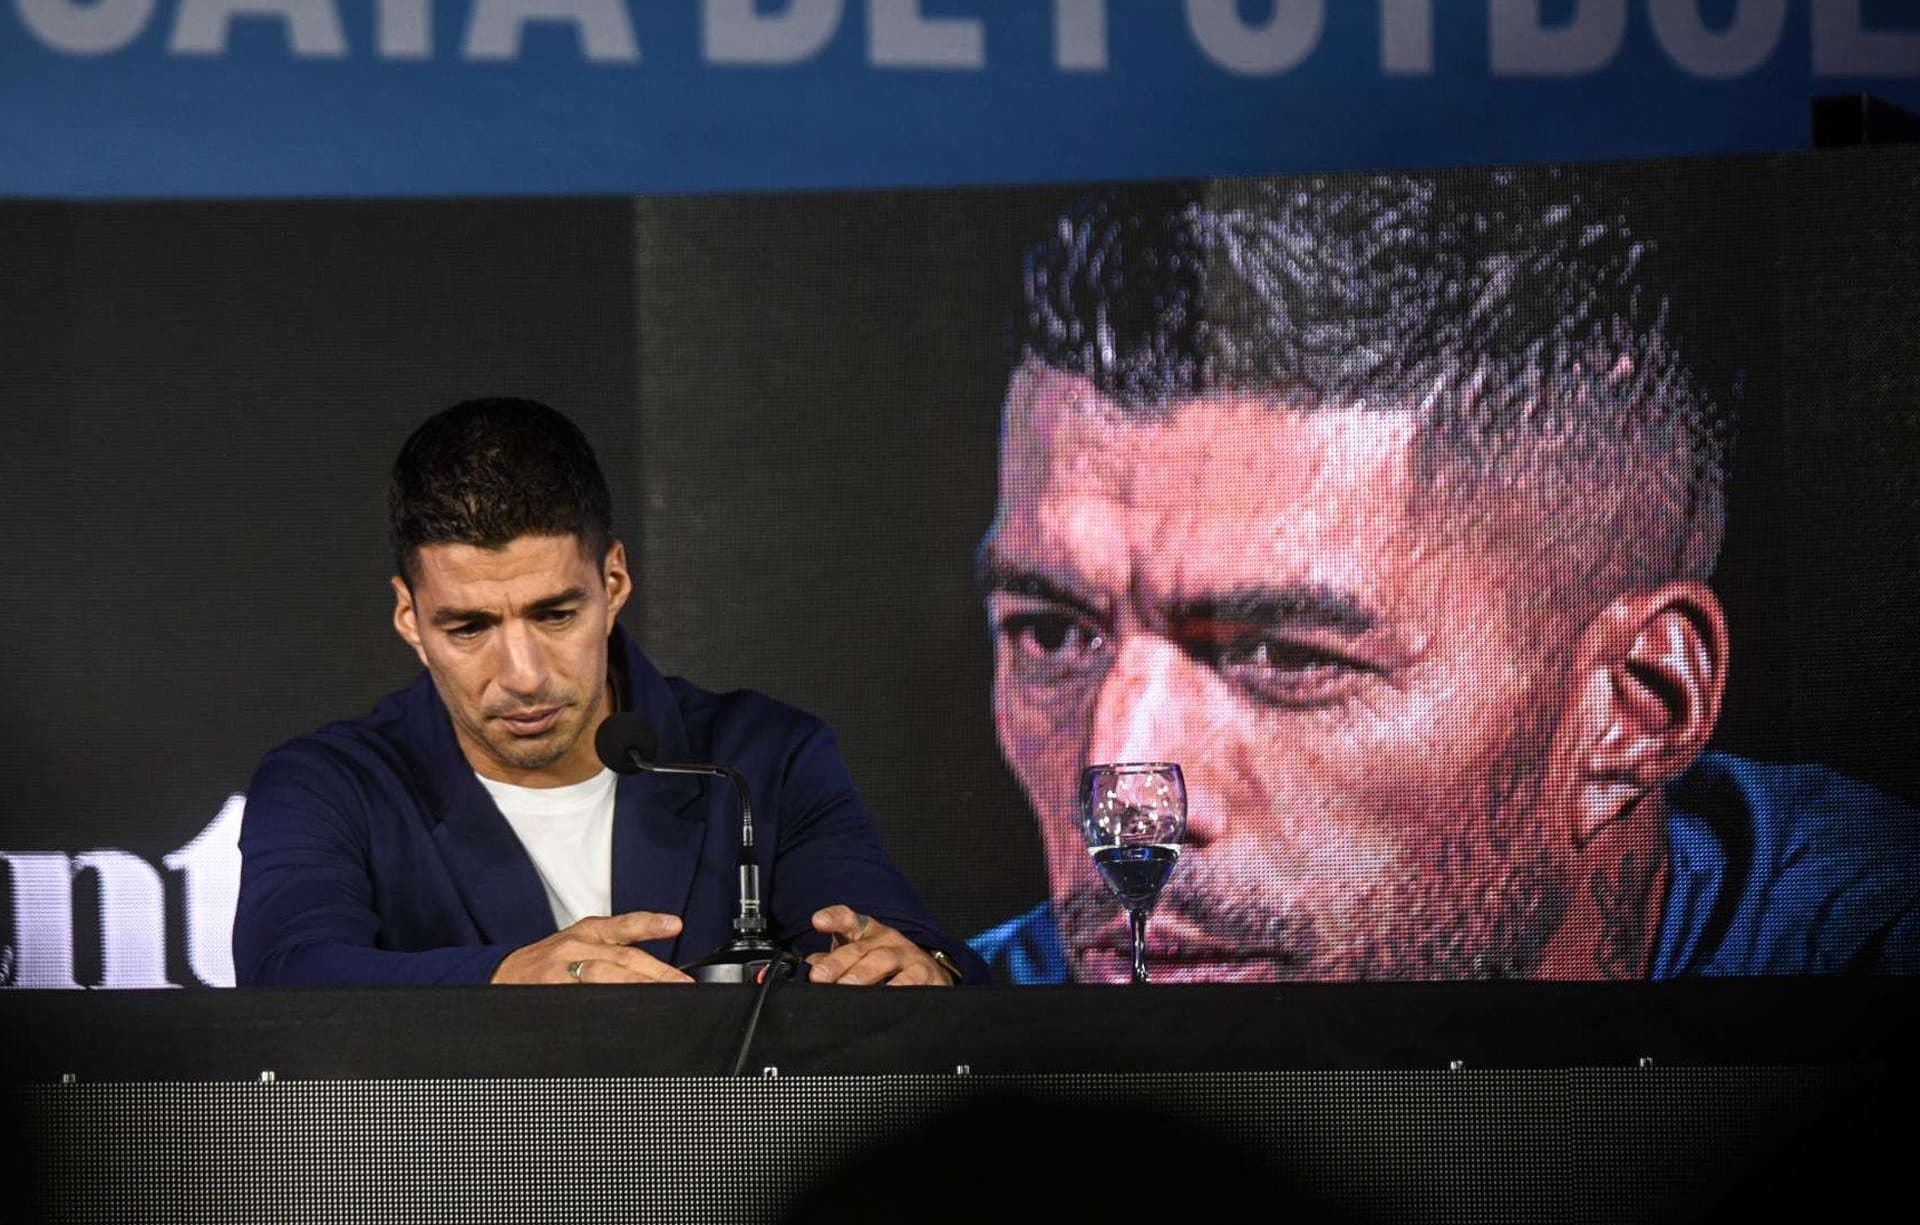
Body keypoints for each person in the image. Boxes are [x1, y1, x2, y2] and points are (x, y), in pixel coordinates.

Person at [969, 173, 1920, 983]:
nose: (1124, 813)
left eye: (1286, 655)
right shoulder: (957, 1025)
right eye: (1054, 634)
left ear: (1635, 709)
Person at [234, 398, 983, 987]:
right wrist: (505, 974)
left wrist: (926, 970)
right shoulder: (330, 785)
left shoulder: (765, 758)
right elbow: (290, 974)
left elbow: (907, 950)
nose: (523, 672)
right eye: (469, 627)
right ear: (409, 616)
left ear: (614, 581)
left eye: (555, 614)